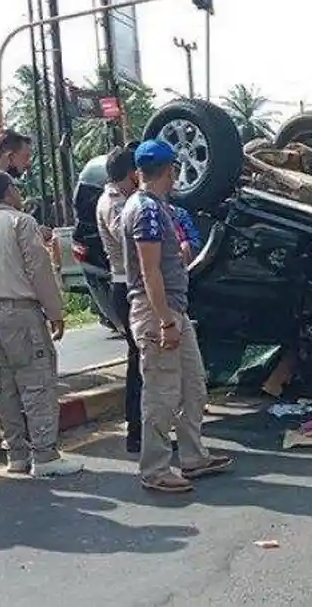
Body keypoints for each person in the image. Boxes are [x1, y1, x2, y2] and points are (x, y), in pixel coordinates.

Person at [122, 139, 232, 493]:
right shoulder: (147, 211)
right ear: (171, 170)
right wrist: (166, 320)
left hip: (173, 310)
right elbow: (149, 270)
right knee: (161, 393)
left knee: (193, 386)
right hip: (160, 312)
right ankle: (155, 469)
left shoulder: (154, 206)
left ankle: (192, 456)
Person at [0, 171, 81, 477]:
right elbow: (39, 270)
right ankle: (45, 455)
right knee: (37, 382)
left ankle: (16, 454)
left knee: (4, 387)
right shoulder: (22, 222)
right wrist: (55, 311)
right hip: (21, 310)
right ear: (8, 192)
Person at [96, 144, 144, 454]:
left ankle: (141, 428)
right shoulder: (114, 203)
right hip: (126, 285)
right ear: (132, 174)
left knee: (140, 360)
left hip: (129, 284)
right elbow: (128, 238)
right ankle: (137, 430)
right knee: (140, 360)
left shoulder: (122, 199)